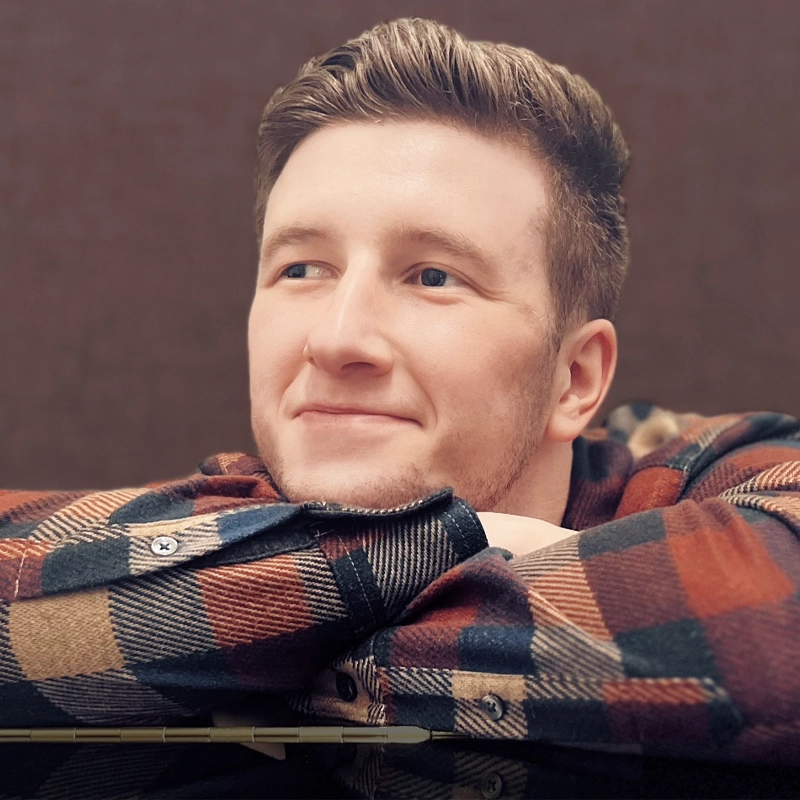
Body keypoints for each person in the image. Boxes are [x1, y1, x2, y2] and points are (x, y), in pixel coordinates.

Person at [0, 17, 798, 767]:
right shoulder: (222, 506)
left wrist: (234, 639)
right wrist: (464, 545)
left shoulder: (722, 471)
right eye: (301, 269)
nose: (336, 339)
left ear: (574, 377)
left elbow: (768, 651)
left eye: (433, 277)